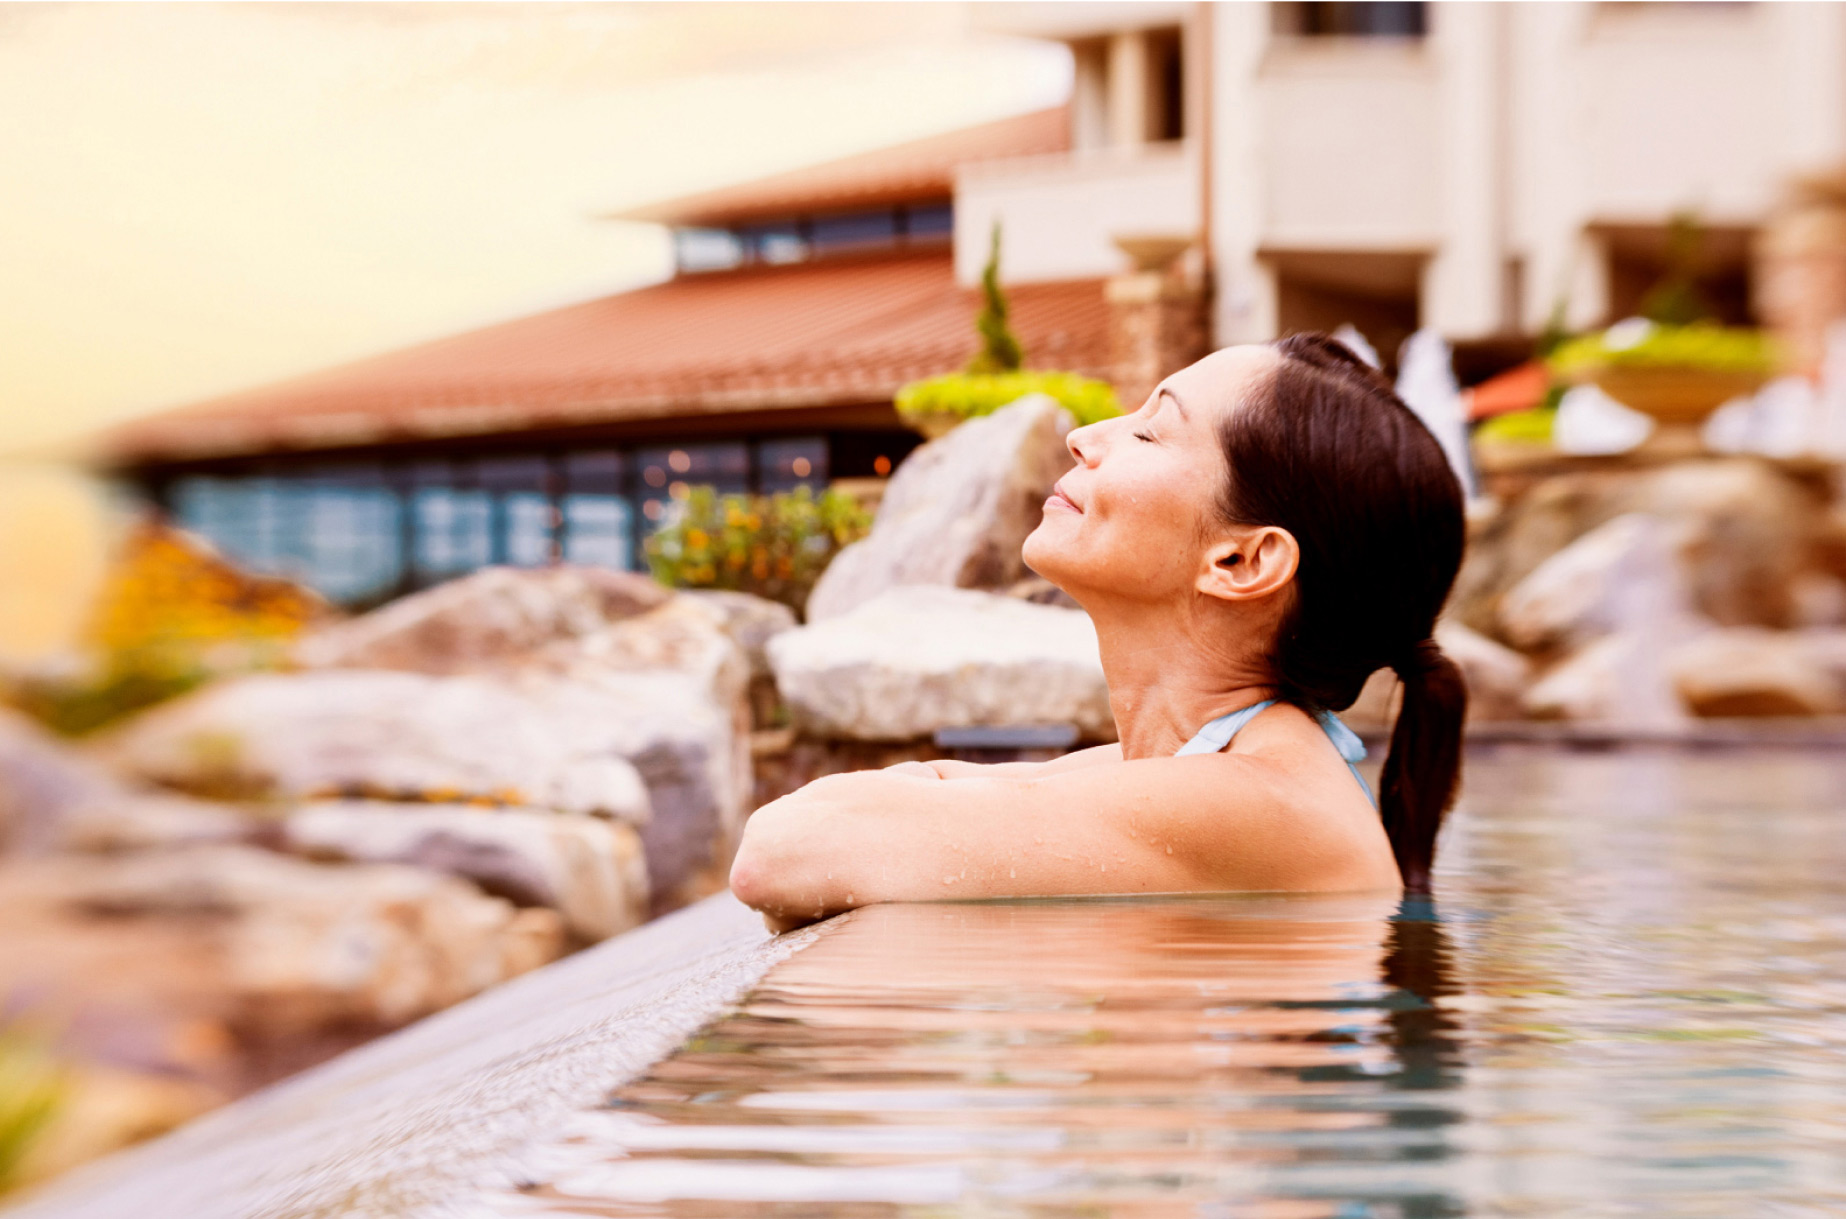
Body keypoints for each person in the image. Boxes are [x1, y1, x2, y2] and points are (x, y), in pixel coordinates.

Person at [730, 334, 1468, 933]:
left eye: (1149, 430)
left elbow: (784, 850)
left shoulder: (1258, 799)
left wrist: (920, 799)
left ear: (1241, 560)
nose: (1083, 436)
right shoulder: (1201, 762)